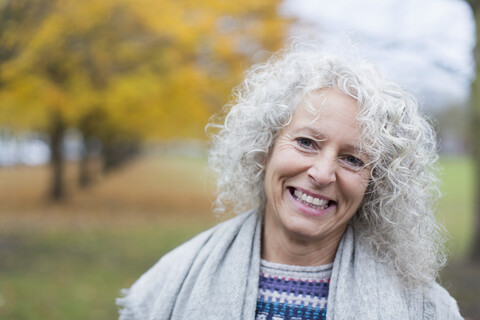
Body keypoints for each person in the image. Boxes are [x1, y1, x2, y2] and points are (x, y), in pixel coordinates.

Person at [117, 43, 463, 320]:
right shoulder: (168, 286)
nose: (322, 173)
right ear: (264, 146)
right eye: (306, 143)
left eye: (352, 159)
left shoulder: (425, 310)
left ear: (377, 183)